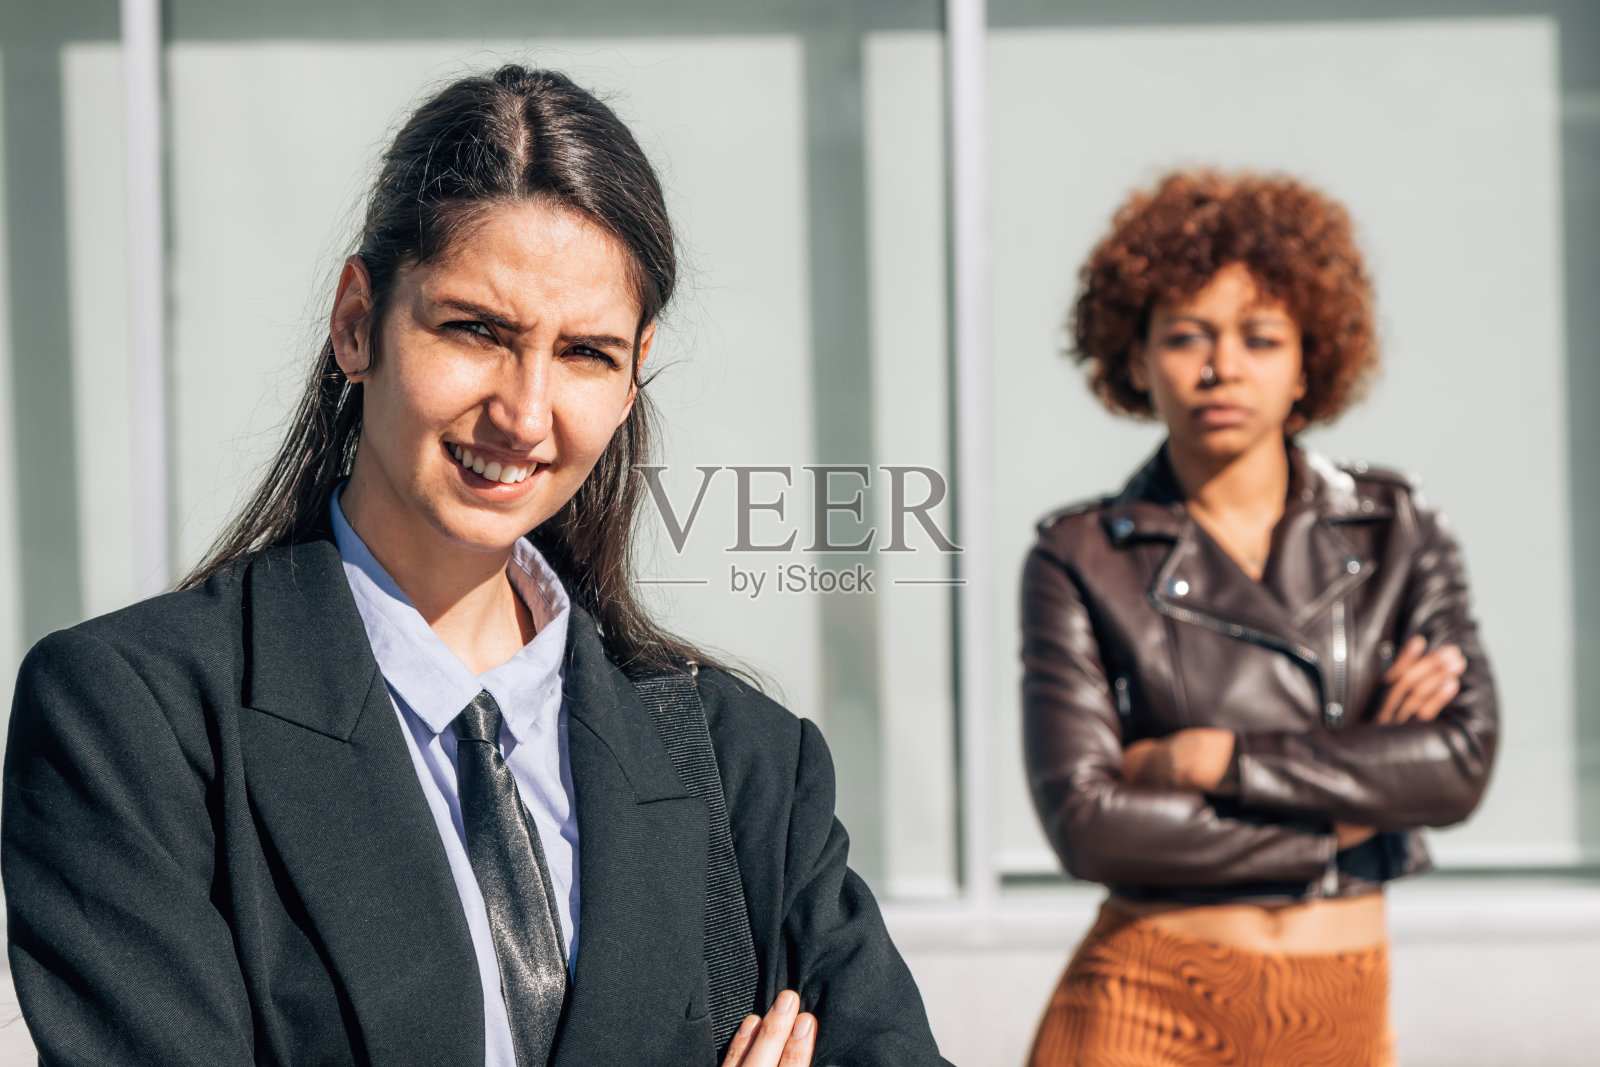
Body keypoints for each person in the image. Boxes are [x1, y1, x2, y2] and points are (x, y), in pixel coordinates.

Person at [2, 65, 948, 1067]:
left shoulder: (744, 765)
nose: (525, 412)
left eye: (585, 351)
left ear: (634, 377)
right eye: (476, 331)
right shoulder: (136, 722)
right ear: (357, 321)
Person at [1020, 169, 1498, 1066]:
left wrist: (1212, 758)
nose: (1222, 366)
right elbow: (1089, 822)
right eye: (1186, 335)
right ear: (1134, 356)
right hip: (1144, 998)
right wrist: (1356, 809)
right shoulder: (1080, 554)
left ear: (1308, 359)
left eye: (1261, 336)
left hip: (1345, 1005)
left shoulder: (1397, 528)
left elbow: (1458, 763)